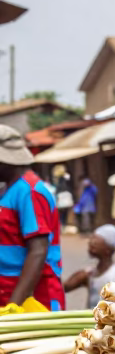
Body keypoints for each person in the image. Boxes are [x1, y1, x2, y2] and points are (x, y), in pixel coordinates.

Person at [0, 125, 64, 311]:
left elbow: (38, 250)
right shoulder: (8, 190)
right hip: (9, 292)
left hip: (33, 297)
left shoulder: (30, 190)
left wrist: (14, 305)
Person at [63, 224, 115, 309]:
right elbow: (64, 287)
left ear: (108, 249)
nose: (91, 242)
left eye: (95, 240)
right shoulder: (89, 274)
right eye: (92, 239)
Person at [52, 166, 74, 230]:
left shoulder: (64, 179)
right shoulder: (66, 178)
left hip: (62, 198)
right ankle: (63, 225)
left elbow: (58, 189)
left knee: (62, 214)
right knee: (64, 213)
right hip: (65, 198)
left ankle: (62, 225)